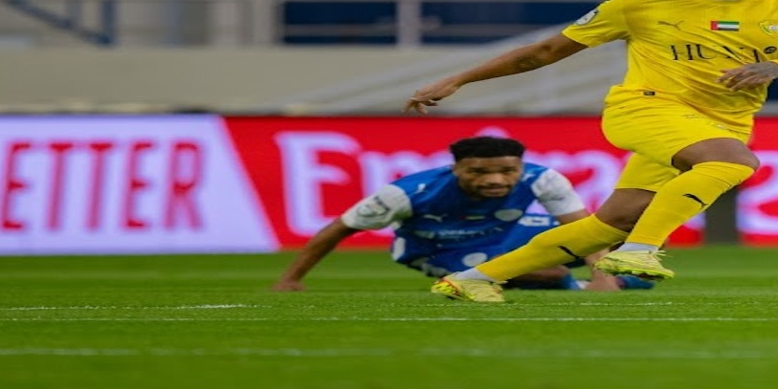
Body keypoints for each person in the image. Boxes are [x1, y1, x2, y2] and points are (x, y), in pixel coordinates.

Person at [404, 0, 778, 303]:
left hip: (721, 123)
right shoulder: (641, 6)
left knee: (613, 222)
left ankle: (474, 279)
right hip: (645, 108)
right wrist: (460, 79)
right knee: (732, 163)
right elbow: (544, 52)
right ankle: (640, 251)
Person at [270, 136, 651, 294]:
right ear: (456, 169)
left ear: (520, 167)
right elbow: (339, 228)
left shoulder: (543, 178)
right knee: (548, 273)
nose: (495, 180)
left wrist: (603, 275)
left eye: (507, 171)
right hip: (437, 248)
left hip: (506, 231)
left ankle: (607, 282)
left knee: (620, 232)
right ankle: (577, 287)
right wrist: (291, 278)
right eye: (479, 172)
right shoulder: (408, 192)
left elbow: (583, 229)